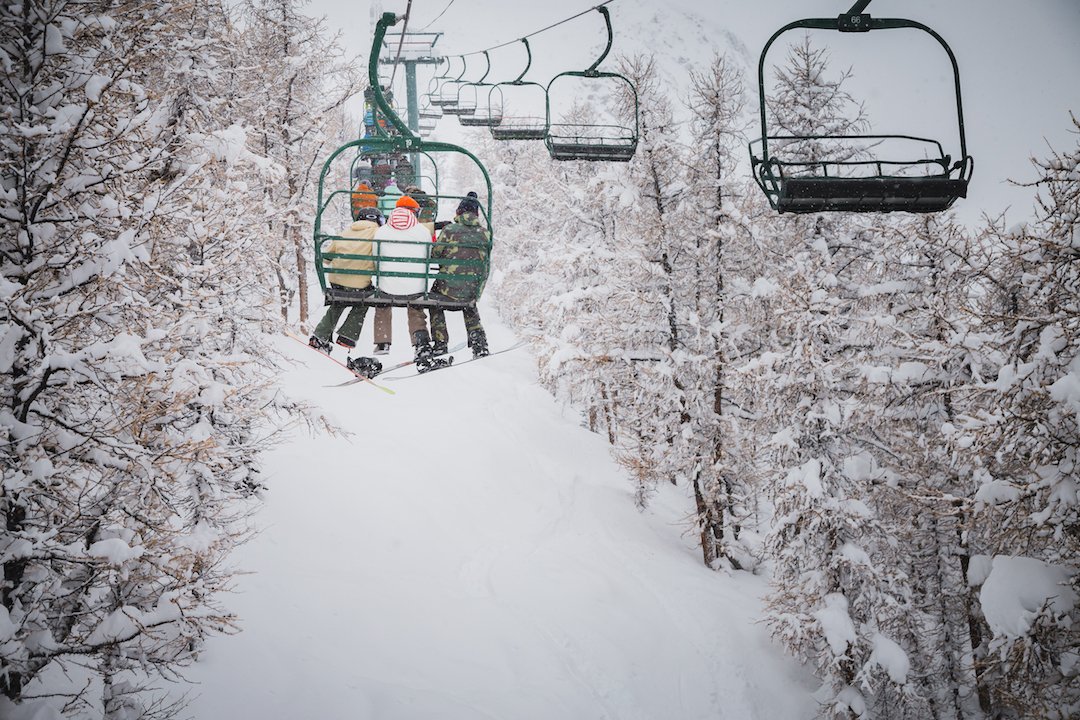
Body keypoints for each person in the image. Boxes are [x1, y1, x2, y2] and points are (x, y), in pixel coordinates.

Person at [373, 195, 445, 371]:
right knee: (416, 306)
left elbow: (376, 258)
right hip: (414, 288)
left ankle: (382, 342)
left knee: (382, 302)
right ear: (414, 212)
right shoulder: (422, 232)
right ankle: (421, 343)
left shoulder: (382, 231)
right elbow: (428, 257)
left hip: (387, 287)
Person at [308, 208, 383, 378]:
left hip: (337, 281)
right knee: (365, 299)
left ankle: (320, 336)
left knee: (338, 302)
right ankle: (347, 336)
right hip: (359, 283)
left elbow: (326, 258)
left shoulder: (345, 232)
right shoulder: (377, 233)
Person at [428, 191, 490, 359]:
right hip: (471, 288)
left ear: (459, 212)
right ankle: (479, 342)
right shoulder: (485, 233)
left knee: (433, 300)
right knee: (469, 304)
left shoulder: (449, 230)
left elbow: (435, 254)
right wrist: (477, 292)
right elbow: (485, 262)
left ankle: (440, 342)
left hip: (447, 289)